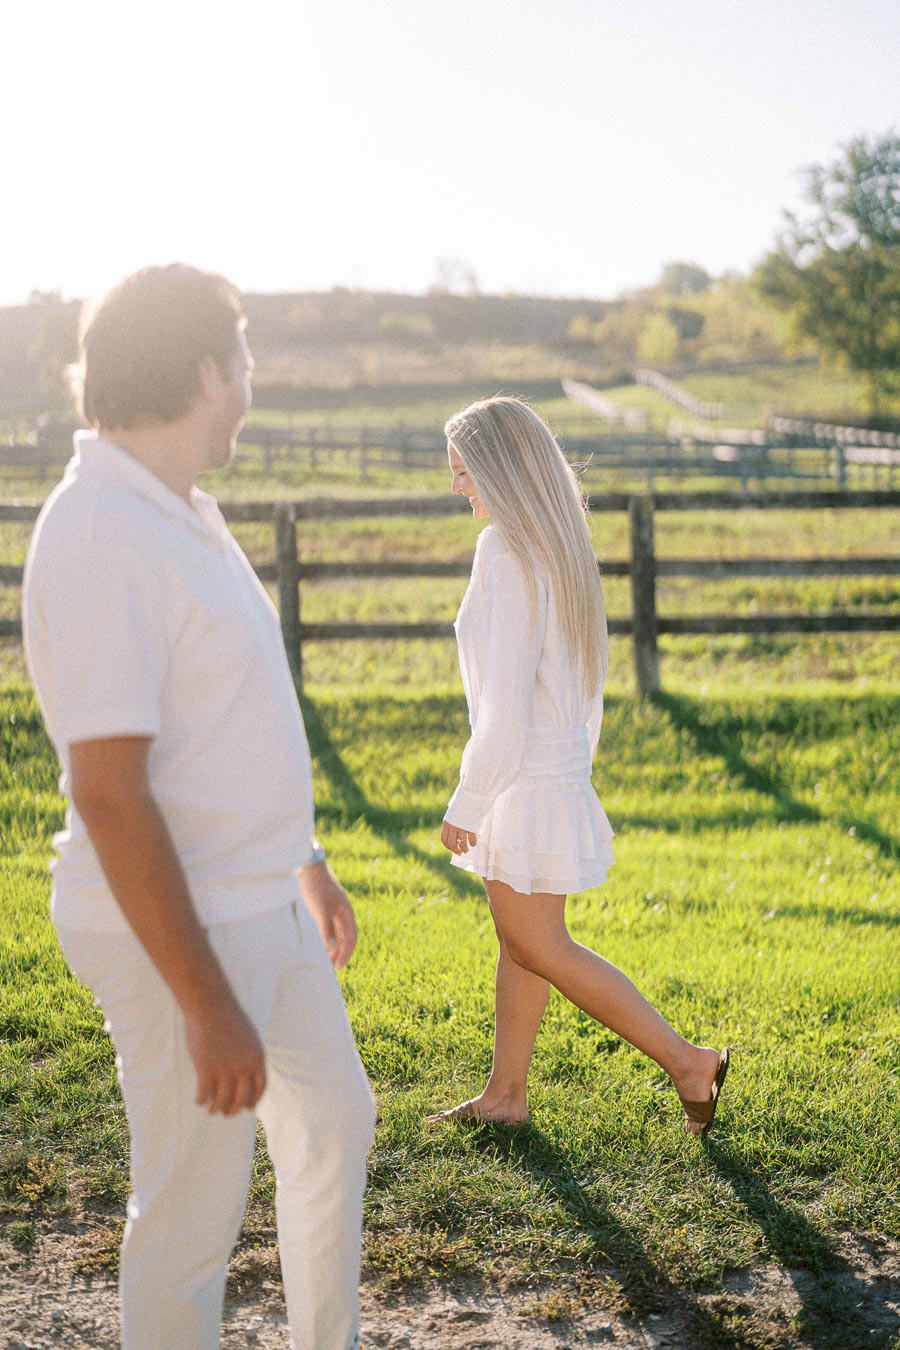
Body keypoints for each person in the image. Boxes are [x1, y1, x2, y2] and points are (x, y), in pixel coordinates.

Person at [22, 264, 375, 1350]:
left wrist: (302, 854)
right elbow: (112, 795)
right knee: (189, 1214)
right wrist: (206, 1003)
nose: (254, 383)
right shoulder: (98, 534)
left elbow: (227, 719)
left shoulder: (182, 512)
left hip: (260, 896)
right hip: (176, 924)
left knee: (333, 1120)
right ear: (204, 372)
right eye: (246, 360)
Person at [432, 396, 729, 1135]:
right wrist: (565, 774)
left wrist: (469, 799)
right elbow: (575, 693)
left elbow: (501, 704)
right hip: (548, 772)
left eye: (465, 472)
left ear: (500, 471)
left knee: (537, 941)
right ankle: (505, 1096)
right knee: (523, 939)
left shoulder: (506, 550)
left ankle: (689, 1061)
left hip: (523, 775)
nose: (458, 487)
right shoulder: (558, 547)